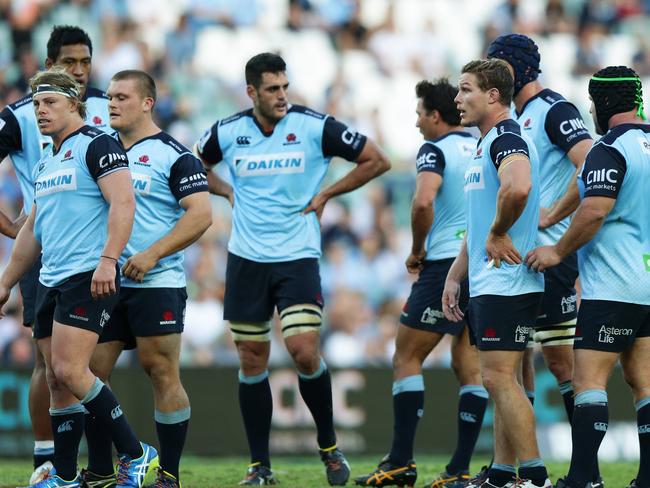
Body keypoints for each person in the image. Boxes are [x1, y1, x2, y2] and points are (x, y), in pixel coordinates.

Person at [194, 52, 390, 486]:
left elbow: (377, 159)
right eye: (272, 89)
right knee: (251, 359)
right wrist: (225, 191)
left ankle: (329, 446)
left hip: (297, 256)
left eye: (285, 86)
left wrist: (327, 195)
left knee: (303, 351)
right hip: (245, 258)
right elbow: (193, 166)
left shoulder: (315, 126)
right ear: (251, 92)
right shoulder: (226, 132)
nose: (282, 95)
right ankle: (259, 465)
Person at [0, 69, 157, 488]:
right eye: (35, 104)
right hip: (50, 279)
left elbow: (124, 202)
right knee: (55, 380)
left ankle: (137, 455)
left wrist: (109, 259)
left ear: (74, 103)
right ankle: (67, 477)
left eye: (49, 102)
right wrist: (6, 281)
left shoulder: (99, 144)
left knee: (71, 371)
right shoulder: (48, 159)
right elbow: (32, 229)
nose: (40, 111)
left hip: (88, 275)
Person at [80, 70, 212, 488]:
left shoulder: (173, 154)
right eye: (110, 97)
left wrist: (153, 254)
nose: (111, 104)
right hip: (106, 280)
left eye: (121, 97)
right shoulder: (99, 150)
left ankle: (168, 475)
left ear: (147, 103)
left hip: (157, 282)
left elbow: (202, 214)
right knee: (91, 373)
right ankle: (102, 470)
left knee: (161, 371)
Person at [353, 79, 486, 488]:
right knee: (470, 368)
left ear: (435, 115)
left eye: (419, 114)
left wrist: (416, 247)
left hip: (445, 261)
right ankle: (460, 470)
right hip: (481, 264)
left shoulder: (434, 149)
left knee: (406, 357)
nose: (416, 123)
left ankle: (400, 462)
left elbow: (424, 200)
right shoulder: (482, 144)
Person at [487, 34, 603, 488]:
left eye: (497, 65)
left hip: (549, 259)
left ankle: (586, 471)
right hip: (514, 257)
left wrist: (554, 213)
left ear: (513, 69)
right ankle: (511, 468)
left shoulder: (555, 110)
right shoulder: (512, 118)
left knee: (560, 364)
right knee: (512, 363)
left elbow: (593, 163)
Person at [526, 65, 650, 488]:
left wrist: (557, 250)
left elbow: (595, 207)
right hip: (649, 283)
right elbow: (585, 187)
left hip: (615, 284)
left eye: (594, 103)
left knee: (588, 381)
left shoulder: (609, 147)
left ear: (603, 104)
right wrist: (552, 215)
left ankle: (582, 479)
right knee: (644, 383)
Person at [0, 25, 111, 484]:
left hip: (95, 250)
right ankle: (48, 462)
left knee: (91, 363)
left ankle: (102, 462)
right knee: (50, 366)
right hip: (43, 254)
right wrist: (13, 229)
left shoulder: (108, 106)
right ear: (48, 65)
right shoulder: (20, 116)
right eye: (70, 63)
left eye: (85, 62)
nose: (80, 72)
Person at [443, 59, 550, 488]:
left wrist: (499, 230)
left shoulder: (506, 136)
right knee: (503, 378)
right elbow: (481, 216)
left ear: (492, 96)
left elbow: (518, 186)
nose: (457, 98)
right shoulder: (487, 140)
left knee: (498, 378)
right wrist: (456, 274)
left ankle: (536, 477)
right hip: (495, 279)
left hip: (506, 280)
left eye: (465, 89)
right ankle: (504, 475)